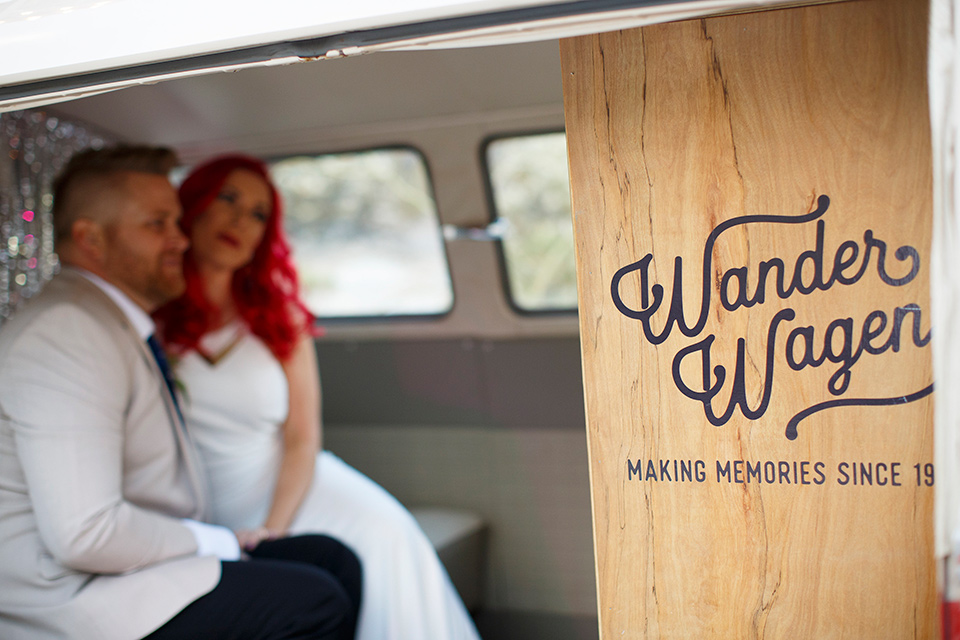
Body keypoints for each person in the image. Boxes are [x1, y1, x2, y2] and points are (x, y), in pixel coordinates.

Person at [0, 145, 362, 640]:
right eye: (158, 225)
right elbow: (85, 536)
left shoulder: (112, 321)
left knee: (331, 560)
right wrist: (213, 540)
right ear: (91, 239)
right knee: (314, 601)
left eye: (177, 221)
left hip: (122, 569)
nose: (181, 239)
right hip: (73, 599)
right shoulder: (66, 331)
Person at [155, 154, 483, 640]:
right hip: (201, 504)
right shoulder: (151, 321)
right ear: (193, 204)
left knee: (387, 534)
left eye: (258, 214)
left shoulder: (279, 317)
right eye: (229, 199)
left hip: (293, 488)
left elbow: (302, 437)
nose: (241, 221)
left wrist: (273, 530)